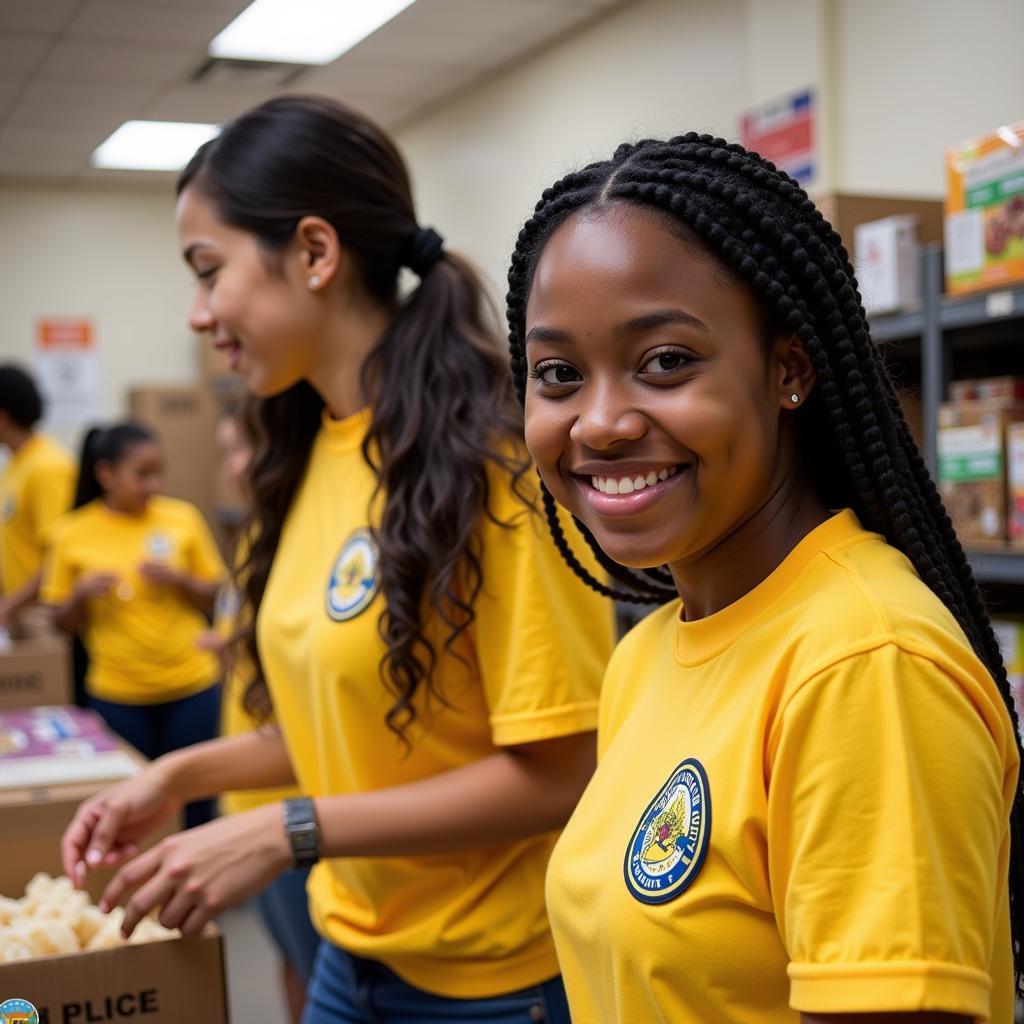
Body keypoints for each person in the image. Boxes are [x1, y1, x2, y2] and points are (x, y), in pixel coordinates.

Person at [61, 95, 614, 1024]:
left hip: (494, 985)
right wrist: (176, 777)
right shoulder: (311, 450)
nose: (197, 314)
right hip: (348, 952)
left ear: (315, 253)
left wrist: (290, 829)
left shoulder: (495, 464)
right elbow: (355, 722)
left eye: (208, 271)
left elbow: (565, 772)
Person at [506, 134, 1022, 1024]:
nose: (598, 422)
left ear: (788, 369)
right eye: (557, 374)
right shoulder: (652, 651)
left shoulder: (864, 665)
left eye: (665, 361)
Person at [199, 401, 320, 1022]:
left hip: (295, 806)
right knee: (292, 960)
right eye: (223, 452)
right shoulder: (255, 535)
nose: (232, 468)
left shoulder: (306, 541)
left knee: (315, 962)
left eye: (241, 449)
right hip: (248, 796)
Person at [42, 422, 226, 827]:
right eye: (142, 474)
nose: (153, 484)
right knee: (130, 810)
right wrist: (80, 593)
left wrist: (179, 579)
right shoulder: (71, 533)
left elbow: (214, 595)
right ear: (105, 473)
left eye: (158, 472)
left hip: (191, 686)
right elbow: (61, 623)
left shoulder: (182, 518)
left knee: (198, 806)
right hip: (118, 694)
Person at [0, 364, 75, 636]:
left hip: (43, 615)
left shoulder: (47, 467)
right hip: (19, 610)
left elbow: (59, 554)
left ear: (3, 418)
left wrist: (10, 605)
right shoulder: (16, 464)